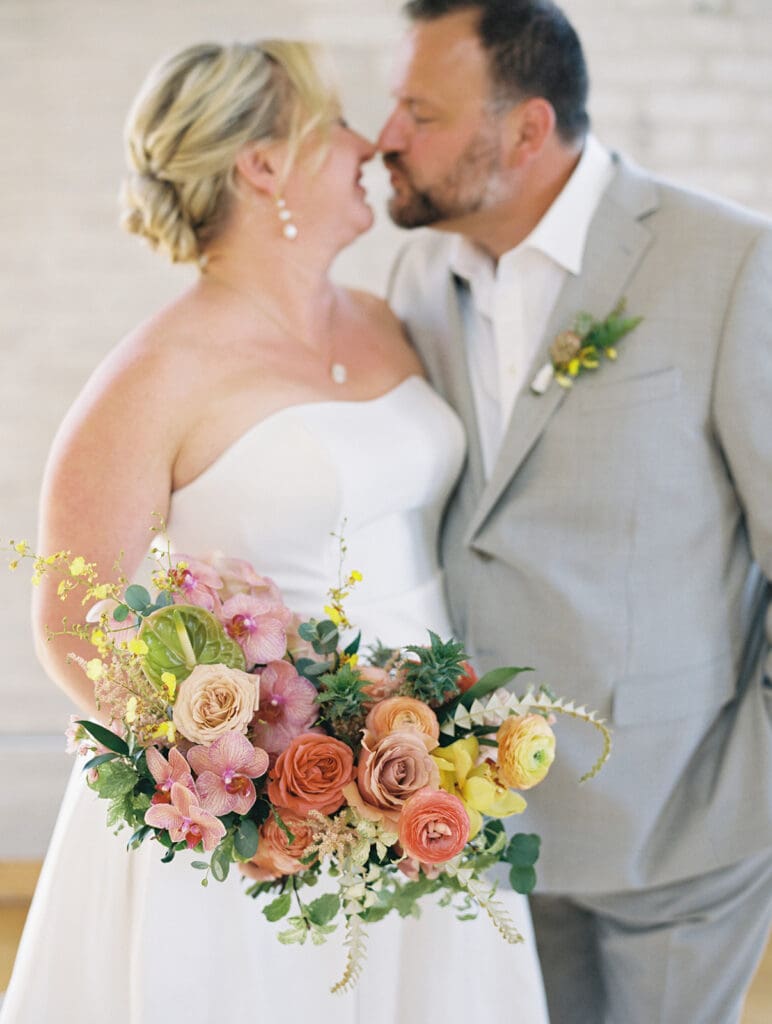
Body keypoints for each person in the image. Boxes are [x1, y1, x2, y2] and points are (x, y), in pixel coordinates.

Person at [0, 39, 550, 1024]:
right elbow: (73, 624)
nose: (370, 142)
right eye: (335, 122)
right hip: (267, 821)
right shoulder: (154, 373)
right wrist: (232, 800)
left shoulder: (388, 321)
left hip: (426, 768)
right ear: (262, 164)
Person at [382, 1, 772, 1021]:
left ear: (524, 128)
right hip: (486, 811)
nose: (387, 138)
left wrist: (756, 777)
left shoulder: (729, 262)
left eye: (420, 113)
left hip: (684, 812)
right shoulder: (418, 275)